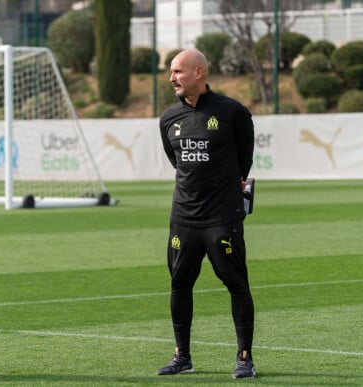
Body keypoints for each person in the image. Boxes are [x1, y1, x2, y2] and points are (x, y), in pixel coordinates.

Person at [157, 49, 256, 379]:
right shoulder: (169, 118)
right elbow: (177, 162)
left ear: (199, 72)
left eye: (178, 72)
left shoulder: (232, 112)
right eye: (171, 72)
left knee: (236, 283)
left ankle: (244, 357)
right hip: (183, 218)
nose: (172, 78)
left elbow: (245, 159)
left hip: (221, 217)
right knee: (179, 284)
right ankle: (181, 356)